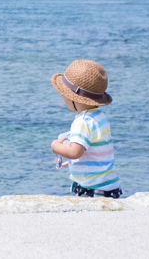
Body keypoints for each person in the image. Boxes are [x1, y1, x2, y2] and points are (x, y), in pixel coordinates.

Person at [50, 59, 122, 198]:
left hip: (92, 190)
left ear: (74, 98)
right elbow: (96, 149)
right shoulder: (100, 117)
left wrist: (55, 146)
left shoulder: (82, 121)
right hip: (110, 188)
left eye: (63, 93)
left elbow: (75, 151)